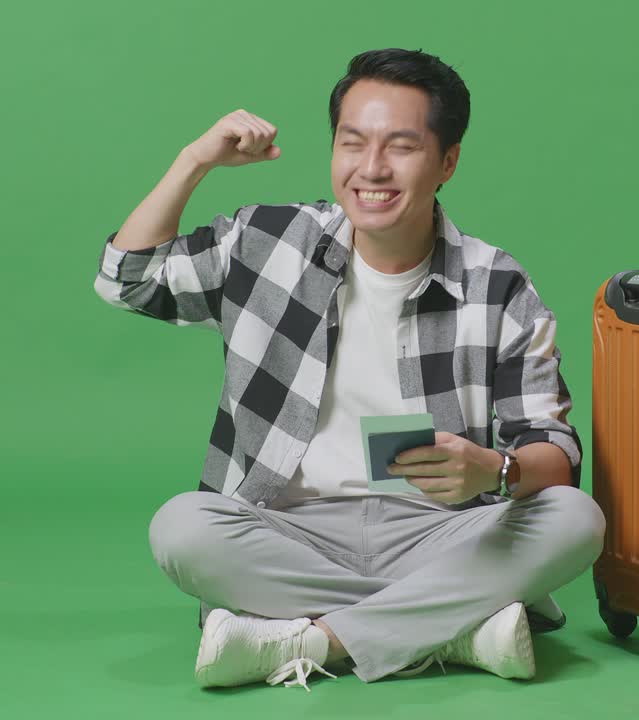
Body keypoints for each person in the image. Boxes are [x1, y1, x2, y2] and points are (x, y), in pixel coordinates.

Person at [92, 48, 605, 691]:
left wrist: (493, 468)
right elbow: (126, 280)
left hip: (440, 531)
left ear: (447, 161)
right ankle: (456, 625)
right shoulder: (267, 242)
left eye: (402, 147)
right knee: (181, 528)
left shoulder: (495, 283)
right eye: (352, 142)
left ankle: (313, 641)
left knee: (574, 517)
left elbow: (552, 449)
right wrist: (195, 160)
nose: (371, 169)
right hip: (290, 529)